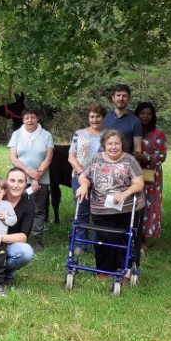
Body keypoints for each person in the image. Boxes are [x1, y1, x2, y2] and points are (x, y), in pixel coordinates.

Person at [74, 129, 145, 276]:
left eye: (116, 143)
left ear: (122, 144)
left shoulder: (129, 160)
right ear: (104, 145)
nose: (113, 147)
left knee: (124, 238)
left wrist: (125, 193)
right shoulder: (96, 159)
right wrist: (84, 185)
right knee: (104, 239)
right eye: (110, 143)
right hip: (101, 208)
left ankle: (124, 269)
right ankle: (104, 270)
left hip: (126, 208)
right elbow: (84, 176)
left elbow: (139, 183)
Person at [7, 106, 54, 251]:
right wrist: (28, 172)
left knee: (38, 210)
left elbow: (48, 158)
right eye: (27, 117)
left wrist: (36, 177)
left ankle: (38, 240)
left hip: (41, 180)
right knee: (16, 209)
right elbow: (13, 158)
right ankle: (16, 238)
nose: (30, 120)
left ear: (37, 118)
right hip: (18, 180)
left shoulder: (46, 135)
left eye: (33, 117)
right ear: (23, 119)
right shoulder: (16, 135)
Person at [68, 103, 107, 253]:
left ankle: (98, 244)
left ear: (103, 118)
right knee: (81, 211)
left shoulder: (109, 135)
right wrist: (82, 172)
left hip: (101, 179)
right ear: (88, 117)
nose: (95, 119)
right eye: (92, 116)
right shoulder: (79, 134)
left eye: (98, 116)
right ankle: (81, 244)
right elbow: (71, 156)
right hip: (79, 177)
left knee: (99, 213)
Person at [134, 102, 168, 246]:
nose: (145, 116)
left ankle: (143, 240)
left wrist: (146, 157)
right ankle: (131, 236)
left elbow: (163, 156)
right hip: (133, 174)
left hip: (151, 177)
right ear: (137, 114)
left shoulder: (158, 133)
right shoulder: (133, 130)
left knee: (147, 207)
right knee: (133, 204)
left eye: (149, 114)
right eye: (142, 113)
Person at [103, 84, 142, 154]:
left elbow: (137, 149)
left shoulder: (135, 121)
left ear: (129, 99)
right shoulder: (104, 117)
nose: (121, 98)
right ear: (113, 98)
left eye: (124, 96)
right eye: (118, 95)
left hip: (125, 162)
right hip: (104, 161)